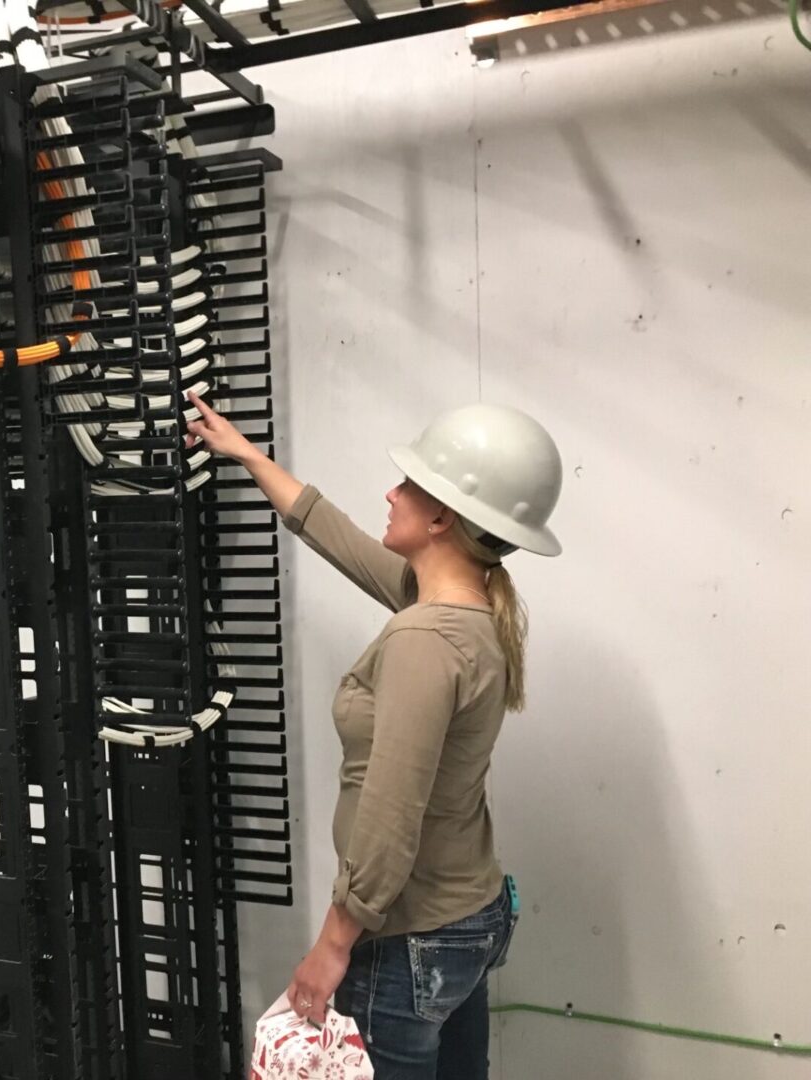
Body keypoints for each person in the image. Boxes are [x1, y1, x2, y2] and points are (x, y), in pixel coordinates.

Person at [186, 393, 564, 1080]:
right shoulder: (469, 610)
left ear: (443, 516)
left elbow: (390, 817)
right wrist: (245, 455)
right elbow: (335, 535)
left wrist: (333, 945)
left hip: (407, 938)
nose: (390, 493)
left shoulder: (423, 637)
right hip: (468, 918)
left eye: (409, 486)